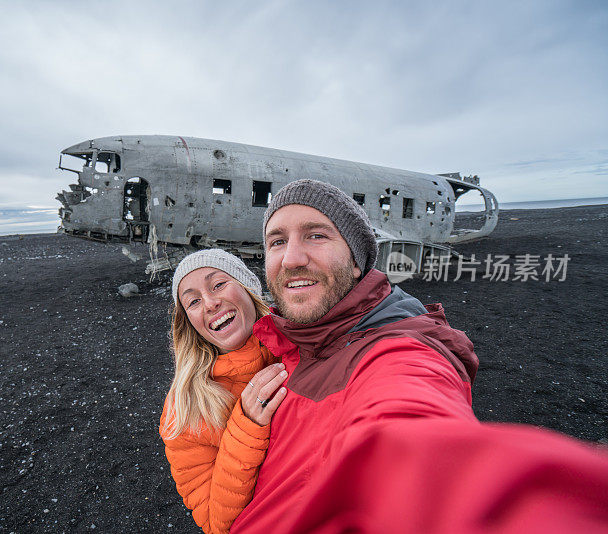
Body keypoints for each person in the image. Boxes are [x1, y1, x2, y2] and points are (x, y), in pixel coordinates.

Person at [230, 179, 608, 533]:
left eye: (316, 235)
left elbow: (414, 433)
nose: (292, 258)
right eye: (276, 241)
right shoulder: (296, 340)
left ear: (358, 260)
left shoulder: (399, 351)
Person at [159, 249, 288, 534]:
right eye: (193, 301)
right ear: (189, 321)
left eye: (218, 284)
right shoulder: (185, 409)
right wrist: (246, 425)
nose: (210, 303)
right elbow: (217, 524)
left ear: (248, 287)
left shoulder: (302, 343)